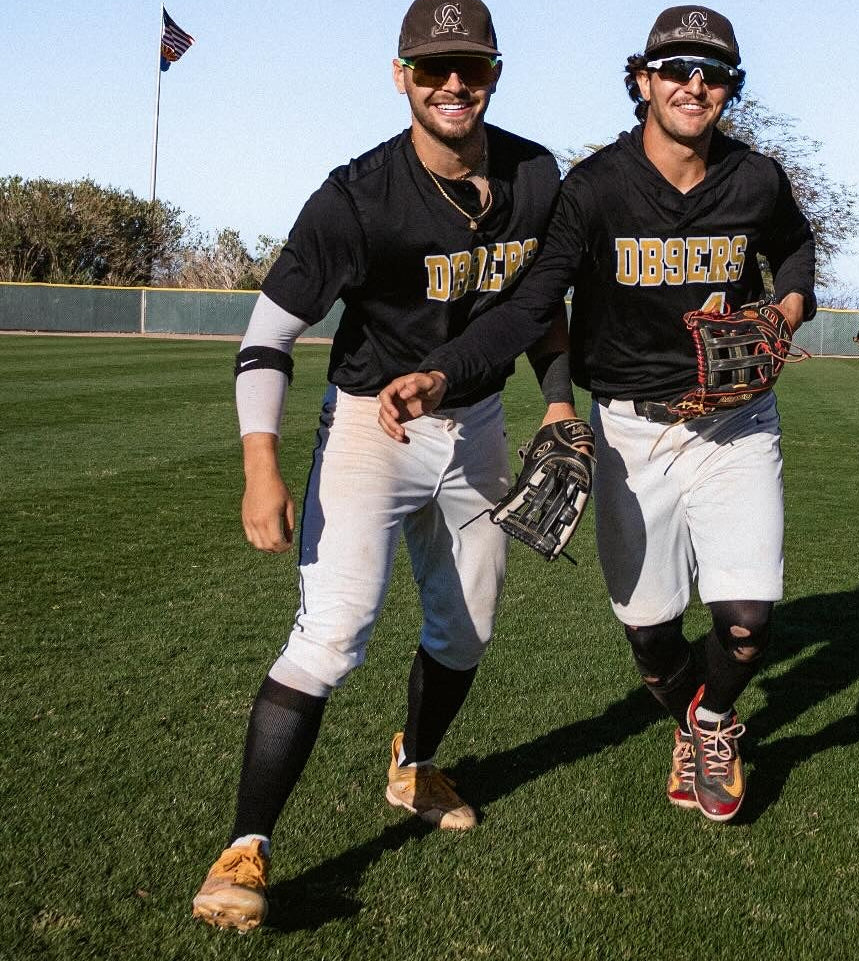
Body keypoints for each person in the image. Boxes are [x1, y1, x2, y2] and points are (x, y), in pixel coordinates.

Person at [378, 5, 815, 824]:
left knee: (748, 624)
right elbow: (529, 307)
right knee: (652, 635)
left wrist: (786, 307)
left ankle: (712, 725)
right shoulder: (594, 188)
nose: (694, 85)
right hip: (629, 431)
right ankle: (690, 718)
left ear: (730, 90)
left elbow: (793, 245)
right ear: (643, 82)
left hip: (735, 424)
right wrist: (446, 372)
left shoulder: (758, 177)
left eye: (713, 74)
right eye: (677, 69)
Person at [191, 0, 573, 931]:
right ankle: (246, 846)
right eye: (434, 66)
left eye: (471, 67)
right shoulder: (356, 196)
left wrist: (559, 399)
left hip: (476, 421)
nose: (454, 84)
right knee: (332, 634)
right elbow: (266, 340)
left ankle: (414, 765)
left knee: (468, 628)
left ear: (495, 72)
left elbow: (541, 310)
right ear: (400, 73)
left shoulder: (534, 173)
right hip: (373, 424)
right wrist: (261, 465)